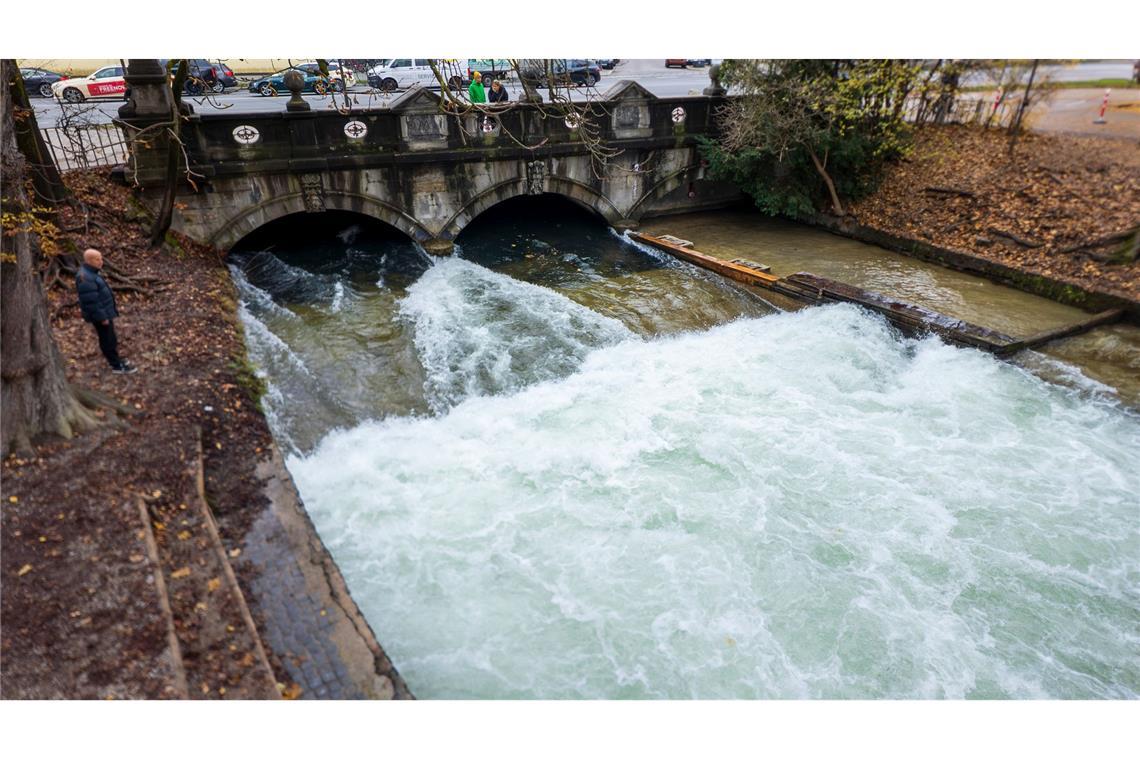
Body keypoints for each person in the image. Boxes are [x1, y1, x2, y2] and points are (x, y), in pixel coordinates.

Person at [76, 248, 136, 374]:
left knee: (111, 338)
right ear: (89, 261)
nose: (101, 262)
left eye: (101, 258)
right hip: (100, 315)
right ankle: (116, 366)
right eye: (97, 259)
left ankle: (116, 359)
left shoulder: (92, 273)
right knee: (107, 339)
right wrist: (102, 317)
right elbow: (90, 300)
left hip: (105, 312)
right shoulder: (85, 277)